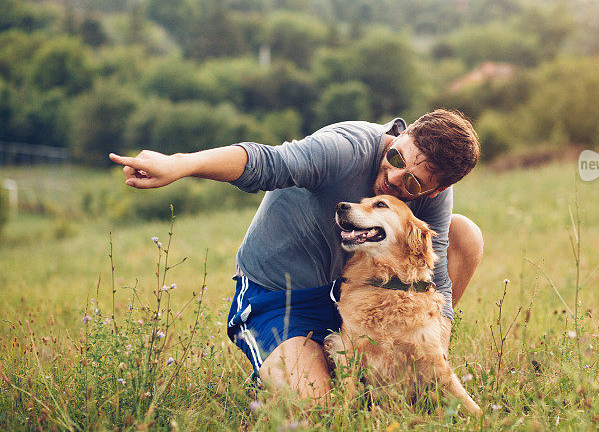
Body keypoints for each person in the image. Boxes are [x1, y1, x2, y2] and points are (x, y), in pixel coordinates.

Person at [108, 109, 482, 403]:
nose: (396, 179)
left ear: (437, 189)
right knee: (319, 410)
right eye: (397, 159)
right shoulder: (344, 148)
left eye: (414, 183)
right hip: (277, 297)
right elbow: (267, 163)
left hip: (346, 297)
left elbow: (437, 283)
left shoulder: (430, 193)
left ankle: (392, 373)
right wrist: (179, 165)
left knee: (464, 235)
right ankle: (275, 369)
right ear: (403, 135)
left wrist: (432, 359)